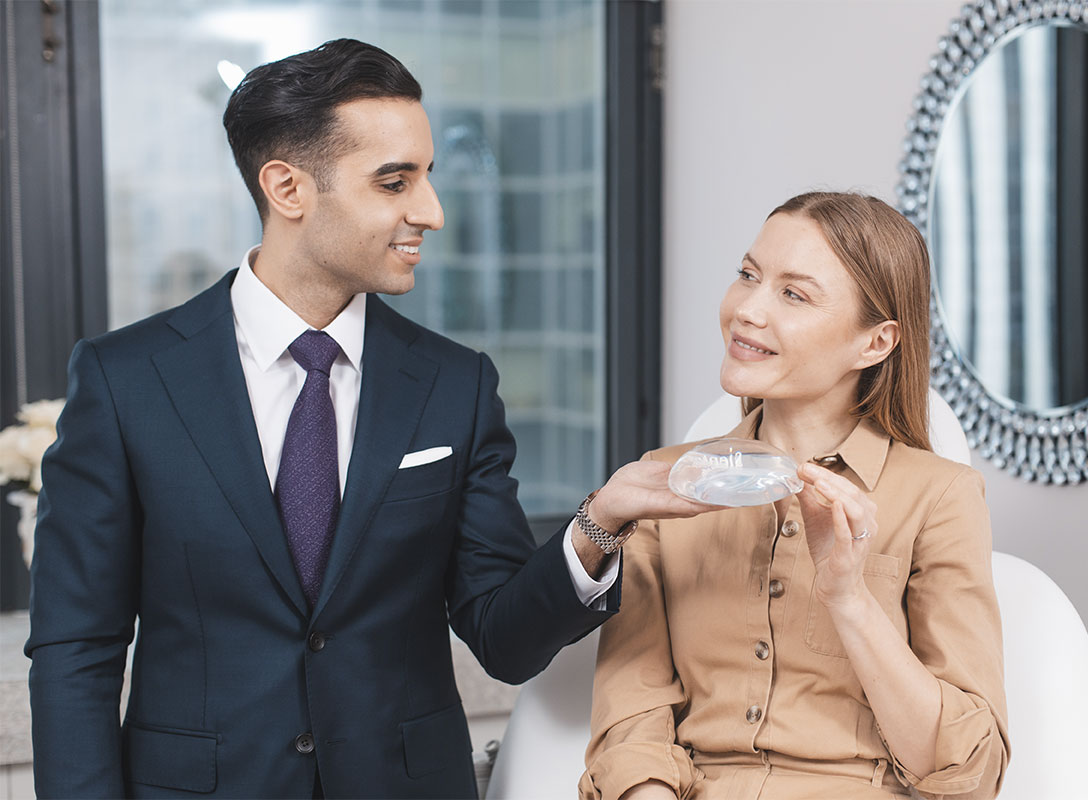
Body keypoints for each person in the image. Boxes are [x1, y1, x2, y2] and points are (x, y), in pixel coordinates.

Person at [26, 39, 707, 799]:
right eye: (394, 181)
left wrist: (599, 521)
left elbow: (505, 640)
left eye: (427, 177)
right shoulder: (127, 380)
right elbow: (74, 651)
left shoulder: (456, 385)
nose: (432, 212)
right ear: (287, 187)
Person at [581, 192, 1009, 800]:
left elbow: (966, 773)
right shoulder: (663, 480)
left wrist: (849, 598)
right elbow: (632, 711)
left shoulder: (942, 497)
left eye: (794, 294)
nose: (747, 310)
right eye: (748, 275)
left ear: (876, 343)